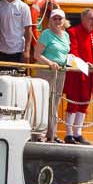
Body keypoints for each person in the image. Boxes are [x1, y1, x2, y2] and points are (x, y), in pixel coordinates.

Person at [61, 9, 93, 144]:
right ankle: (69, 134)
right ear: (83, 19)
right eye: (91, 18)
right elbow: (72, 53)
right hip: (76, 74)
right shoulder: (73, 32)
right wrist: (83, 63)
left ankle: (77, 133)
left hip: (89, 75)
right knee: (73, 103)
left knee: (84, 103)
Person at [36, 9, 73, 139]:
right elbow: (37, 55)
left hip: (61, 72)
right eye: (54, 19)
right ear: (50, 20)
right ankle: (40, 134)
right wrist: (50, 63)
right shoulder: (46, 34)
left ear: (64, 21)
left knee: (55, 103)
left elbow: (65, 53)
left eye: (60, 19)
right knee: (44, 102)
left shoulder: (66, 35)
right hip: (46, 72)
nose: (57, 21)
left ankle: (52, 134)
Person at [0, 0, 33, 70]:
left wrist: (27, 51)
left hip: (18, 50)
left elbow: (28, 30)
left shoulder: (24, 7)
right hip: (2, 49)